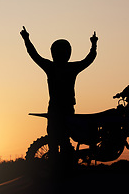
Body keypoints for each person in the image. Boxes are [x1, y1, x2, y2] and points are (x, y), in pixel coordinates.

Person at [20, 26, 98, 169]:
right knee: (60, 138)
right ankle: (58, 166)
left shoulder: (53, 67)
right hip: (62, 108)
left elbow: (34, 55)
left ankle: (59, 166)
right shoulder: (65, 67)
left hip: (59, 108)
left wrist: (26, 39)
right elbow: (89, 59)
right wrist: (93, 44)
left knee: (58, 138)